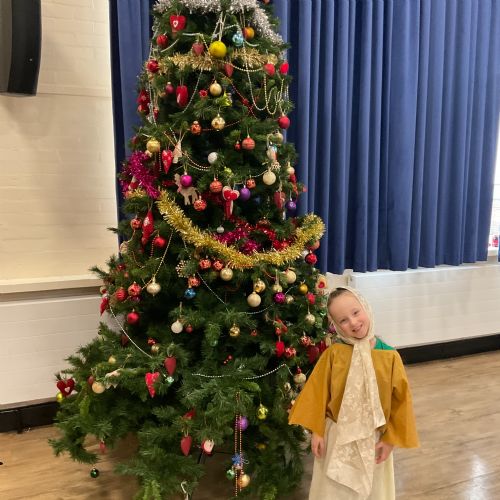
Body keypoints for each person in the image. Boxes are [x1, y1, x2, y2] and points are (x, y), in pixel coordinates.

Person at [288, 286, 419, 499]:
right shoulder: (334, 354)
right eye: (343, 320)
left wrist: (390, 439)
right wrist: (317, 432)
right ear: (336, 325)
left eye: (356, 312)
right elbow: (317, 393)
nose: (353, 322)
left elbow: (400, 402)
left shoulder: (390, 356)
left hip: (374, 440)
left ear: (365, 307)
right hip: (336, 437)